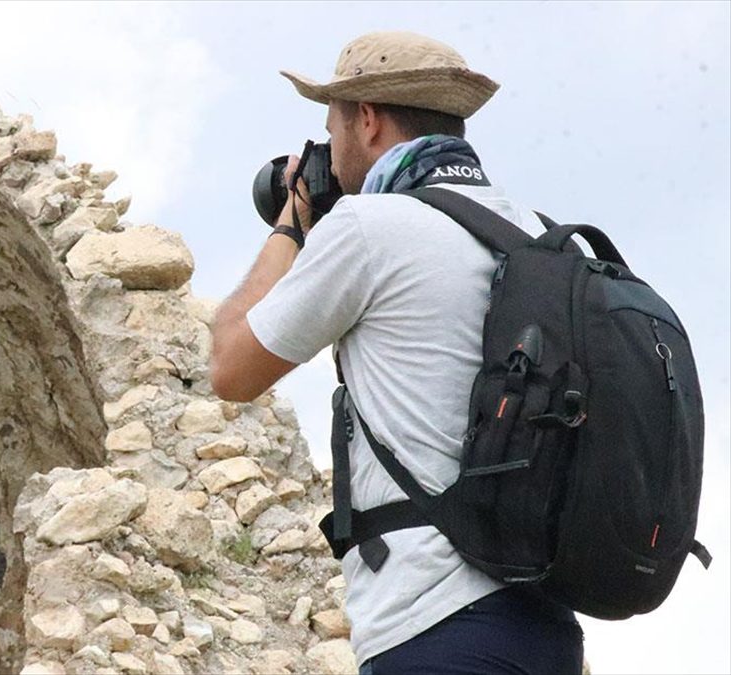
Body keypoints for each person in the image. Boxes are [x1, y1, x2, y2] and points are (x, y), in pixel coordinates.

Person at [209, 31, 585, 674]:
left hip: (432, 626)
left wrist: (294, 220)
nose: (329, 147)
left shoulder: (371, 228)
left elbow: (230, 367)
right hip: (548, 630)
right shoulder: (540, 236)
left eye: (331, 126)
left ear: (368, 118)